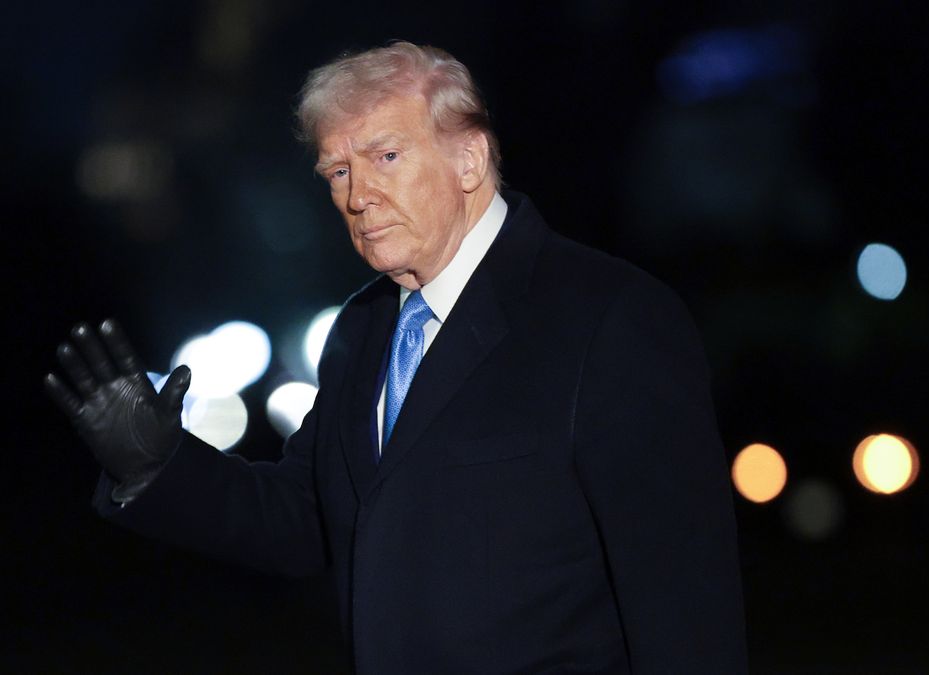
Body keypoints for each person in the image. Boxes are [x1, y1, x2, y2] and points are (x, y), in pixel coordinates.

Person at [45, 41, 747, 674]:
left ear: (469, 159)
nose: (357, 196)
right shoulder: (364, 327)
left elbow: (683, 600)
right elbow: (308, 518)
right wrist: (157, 468)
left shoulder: (609, 316)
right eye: (337, 170)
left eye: (385, 157)